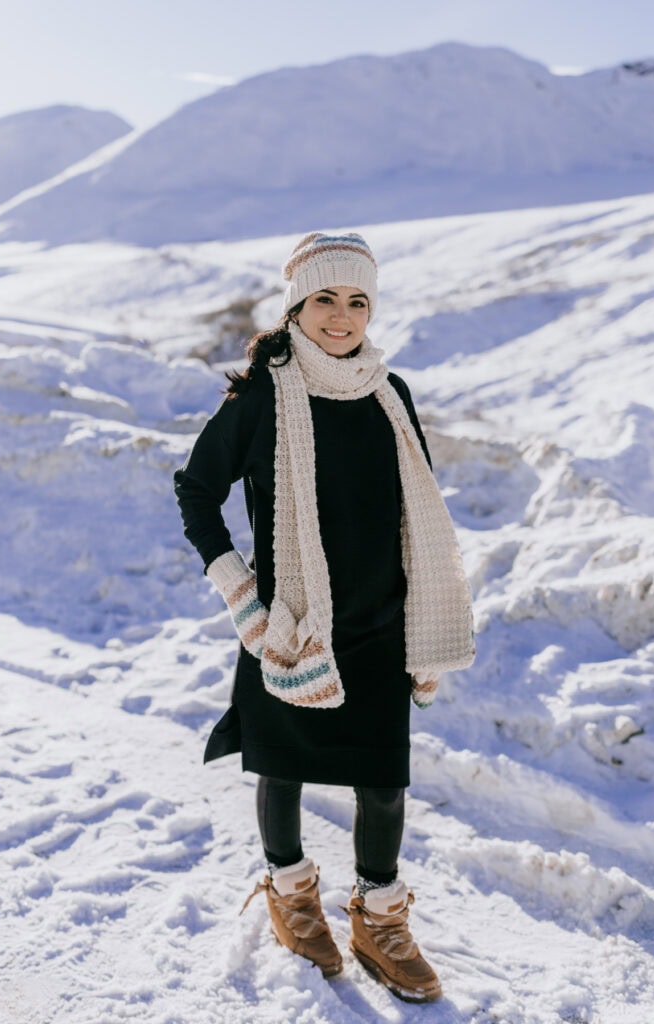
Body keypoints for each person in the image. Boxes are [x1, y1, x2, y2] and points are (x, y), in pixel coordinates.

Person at [173, 231, 475, 1003]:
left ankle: (378, 918)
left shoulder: (388, 391)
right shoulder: (261, 397)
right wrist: (240, 591)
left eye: (357, 300)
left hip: (380, 619)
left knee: (382, 782)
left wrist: (425, 616)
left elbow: (416, 511)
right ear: (297, 306)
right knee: (282, 761)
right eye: (325, 299)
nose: (341, 316)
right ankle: (290, 892)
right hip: (292, 618)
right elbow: (196, 490)